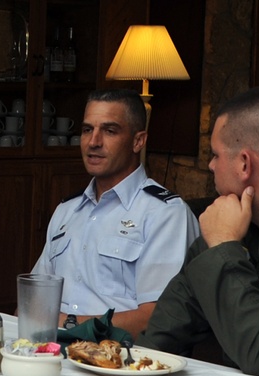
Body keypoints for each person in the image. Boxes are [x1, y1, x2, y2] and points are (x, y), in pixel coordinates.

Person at [140, 86, 259, 376]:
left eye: (215, 155)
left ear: (244, 164)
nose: (211, 165)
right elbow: (162, 337)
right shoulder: (228, 221)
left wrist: (225, 246)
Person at [30, 88, 199, 337]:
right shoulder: (67, 210)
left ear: (138, 141)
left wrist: (71, 326)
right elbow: (33, 298)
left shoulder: (164, 214)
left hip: (119, 360)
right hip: (51, 350)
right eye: (88, 129)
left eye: (109, 131)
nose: (93, 142)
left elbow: (157, 317)